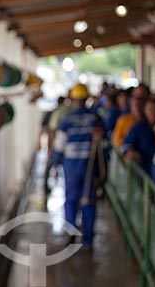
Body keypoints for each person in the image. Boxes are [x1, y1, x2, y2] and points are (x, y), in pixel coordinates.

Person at [52, 84, 108, 249]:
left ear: (74, 100)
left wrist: (55, 164)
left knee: (70, 200)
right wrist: (104, 169)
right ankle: (88, 241)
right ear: (87, 99)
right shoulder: (96, 118)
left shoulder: (67, 120)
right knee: (88, 201)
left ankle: (70, 234)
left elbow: (59, 146)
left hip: (71, 168)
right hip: (91, 168)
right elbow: (104, 146)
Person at [122, 93, 155, 176]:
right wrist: (131, 152)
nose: (154, 113)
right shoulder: (137, 128)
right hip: (143, 172)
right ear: (145, 111)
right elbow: (125, 146)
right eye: (151, 110)